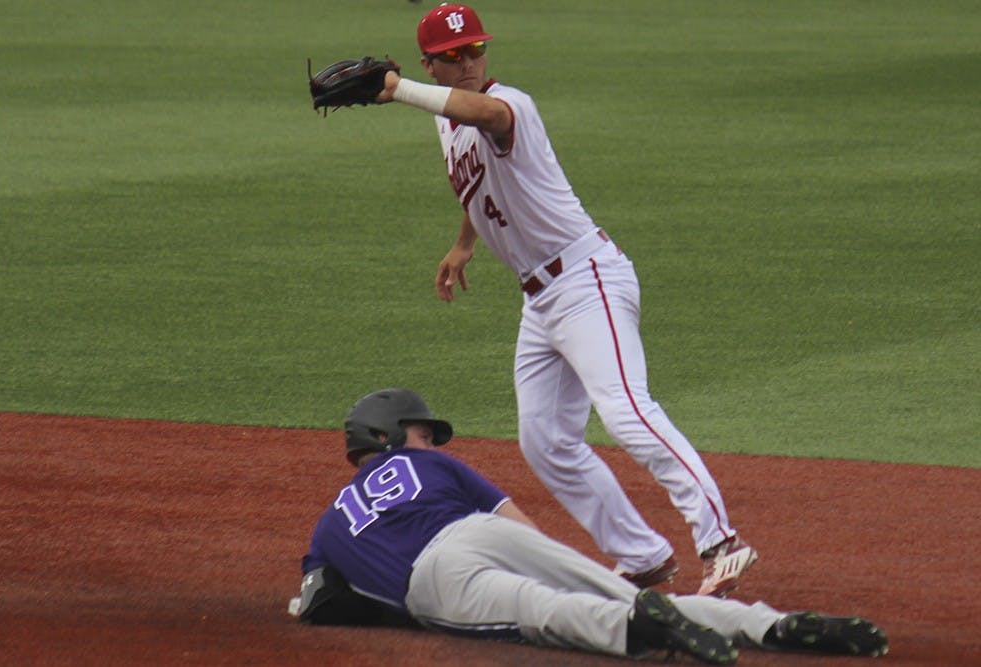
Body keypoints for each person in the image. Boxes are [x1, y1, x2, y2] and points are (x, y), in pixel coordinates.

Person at [371, 3, 755, 595]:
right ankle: (642, 555)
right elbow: (481, 182)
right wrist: (463, 243)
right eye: (453, 56)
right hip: (541, 301)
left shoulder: (508, 103)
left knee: (626, 409)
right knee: (544, 438)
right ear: (432, 62)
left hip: (586, 279)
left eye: (475, 49)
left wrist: (398, 90)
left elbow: (483, 113)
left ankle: (720, 540)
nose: (469, 61)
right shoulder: (446, 120)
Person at [291, 388, 889, 664]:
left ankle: (636, 628)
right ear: (385, 435)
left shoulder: (328, 527)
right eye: (420, 430)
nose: (428, 439)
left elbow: (318, 602)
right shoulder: (436, 464)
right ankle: (770, 625)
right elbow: (520, 528)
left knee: (540, 613)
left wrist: (367, 588)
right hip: (484, 533)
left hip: (437, 578)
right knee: (613, 591)